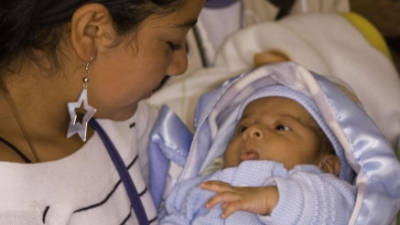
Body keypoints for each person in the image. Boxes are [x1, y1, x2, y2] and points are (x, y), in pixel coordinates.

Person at [0, 0, 205, 224]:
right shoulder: (12, 204)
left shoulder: (125, 121)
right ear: (92, 31)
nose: (180, 65)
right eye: (173, 43)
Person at [159, 87, 356, 225]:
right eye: (242, 127)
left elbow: (343, 214)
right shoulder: (204, 185)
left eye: (281, 127)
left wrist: (275, 199)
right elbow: (175, 217)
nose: (251, 131)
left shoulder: (325, 189)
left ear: (327, 166)